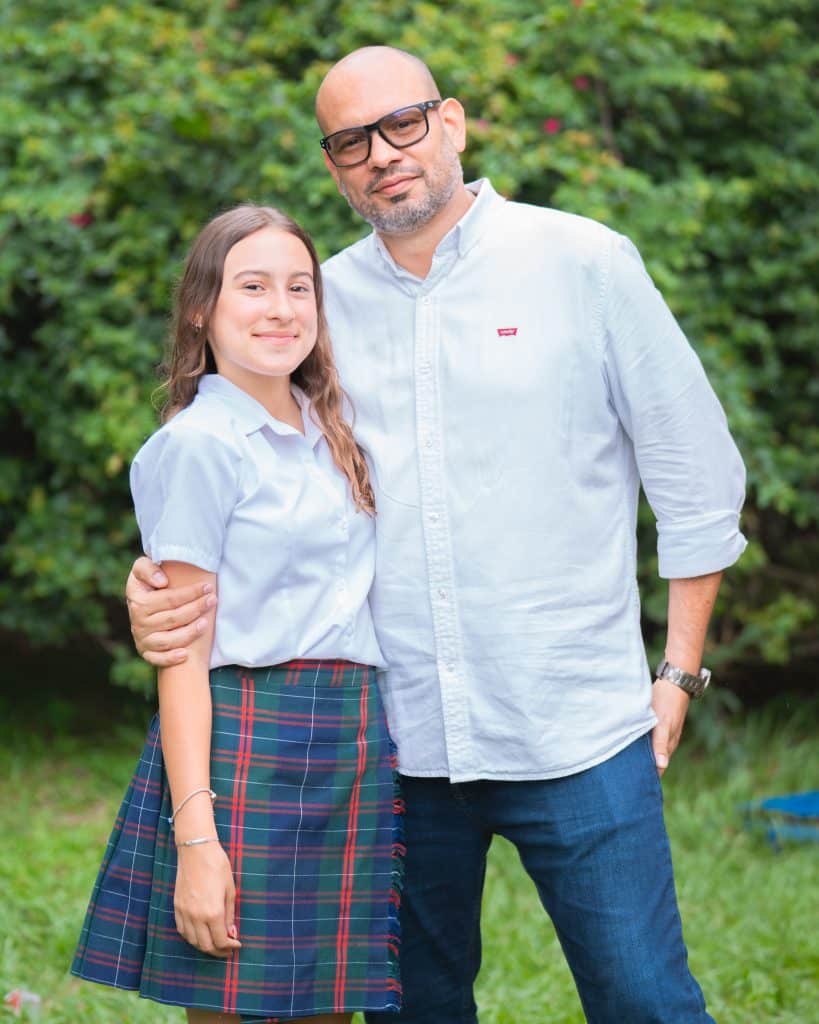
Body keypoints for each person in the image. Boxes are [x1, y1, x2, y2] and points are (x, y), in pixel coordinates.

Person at [125, 47, 747, 1024]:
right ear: (334, 166)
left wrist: (678, 671)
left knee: (645, 1001)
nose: (382, 153)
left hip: (575, 727)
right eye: (351, 141)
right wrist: (160, 584)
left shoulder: (582, 262)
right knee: (414, 1010)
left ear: (450, 122)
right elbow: (256, 478)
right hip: (396, 744)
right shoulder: (314, 305)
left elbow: (696, 476)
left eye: (402, 124)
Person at [73, 204, 404, 1024]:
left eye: (299, 287)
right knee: (235, 997)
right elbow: (181, 653)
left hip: (351, 740)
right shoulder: (200, 445)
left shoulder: (337, 428)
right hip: (246, 739)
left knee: (328, 1005)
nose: (280, 309)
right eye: (252, 287)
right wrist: (197, 842)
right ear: (201, 309)